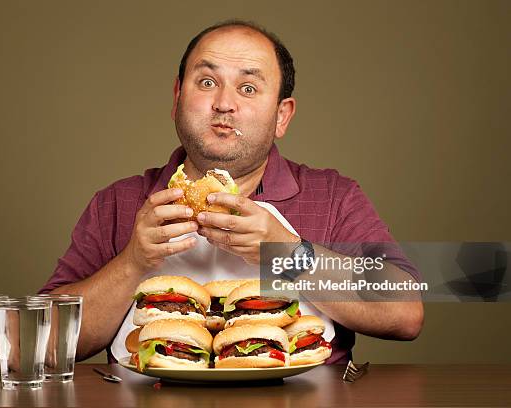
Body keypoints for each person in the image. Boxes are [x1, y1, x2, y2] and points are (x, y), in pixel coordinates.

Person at [39, 20, 424, 364]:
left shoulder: (334, 196)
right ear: (176, 98)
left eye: (248, 87)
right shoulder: (118, 202)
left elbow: (406, 314)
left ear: (282, 116)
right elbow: (41, 341)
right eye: (207, 82)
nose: (224, 103)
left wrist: (286, 252)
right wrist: (133, 262)